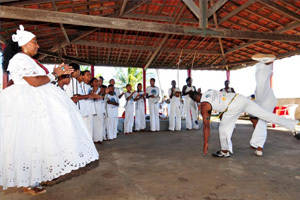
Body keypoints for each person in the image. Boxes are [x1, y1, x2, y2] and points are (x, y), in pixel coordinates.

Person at [0, 25, 98, 193]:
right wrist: (55, 74)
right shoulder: (19, 59)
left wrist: (56, 74)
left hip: (36, 102)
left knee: (40, 141)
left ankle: (36, 177)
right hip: (27, 104)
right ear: (24, 44)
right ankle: (30, 181)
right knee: (30, 142)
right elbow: (35, 82)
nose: (37, 45)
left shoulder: (28, 60)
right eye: (34, 42)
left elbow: (40, 80)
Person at [192, 90, 298, 157]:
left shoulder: (204, 106)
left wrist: (206, 143)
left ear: (196, 101)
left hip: (232, 107)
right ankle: (292, 124)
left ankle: (225, 151)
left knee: (223, 129)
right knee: (264, 114)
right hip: (240, 98)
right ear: (200, 93)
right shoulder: (209, 91)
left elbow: (206, 126)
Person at [249, 54, 277, 156]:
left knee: (261, 125)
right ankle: (257, 145)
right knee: (259, 123)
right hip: (265, 101)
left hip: (266, 101)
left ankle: (259, 147)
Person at [76, 70, 97, 137]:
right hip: (82, 111)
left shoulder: (88, 86)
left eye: (90, 75)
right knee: (83, 132)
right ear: (82, 76)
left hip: (89, 111)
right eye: (88, 75)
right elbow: (79, 97)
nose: (90, 77)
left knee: (89, 131)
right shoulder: (77, 85)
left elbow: (92, 96)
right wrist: (89, 95)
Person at [90, 78, 106, 143]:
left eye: (97, 81)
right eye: (95, 81)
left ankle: (100, 139)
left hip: (100, 108)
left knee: (100, 124)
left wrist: (102, 92)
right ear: (92, 83)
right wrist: (96, 94)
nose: (97, 83)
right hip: (93, 108)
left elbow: (102, 97)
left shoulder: (101, 89)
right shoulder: (90, 89)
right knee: (94, 124)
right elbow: (92, 98)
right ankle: (94, 139)